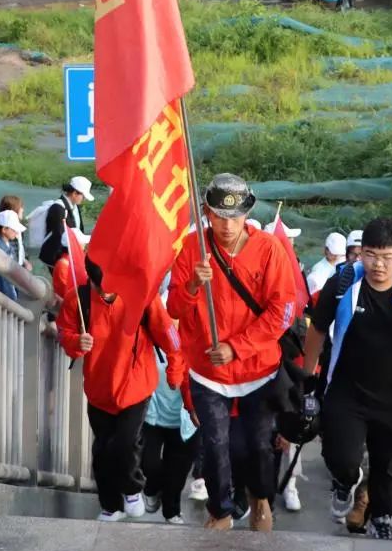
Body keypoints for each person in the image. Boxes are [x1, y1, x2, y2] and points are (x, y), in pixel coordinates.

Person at [303, 217, 392, 541]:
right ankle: (344, 482)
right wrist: (307, 375)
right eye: (370, 254)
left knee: (390, 460)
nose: (377, 264)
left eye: (387, 257)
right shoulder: (343, 285)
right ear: (360, 253)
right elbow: (316, 331)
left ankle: (381, 517)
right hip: (346, 391)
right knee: (341, 457)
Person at [167, 173, 297, 531]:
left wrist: (237, 347)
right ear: (207, 213)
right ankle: (220, 510)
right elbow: (174, 309)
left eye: (235, 217)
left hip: (258, 370)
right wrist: (193, 284)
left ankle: (259, 500)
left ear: (247, 215)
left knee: (256, 445)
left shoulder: (269, 249)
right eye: (220, 216)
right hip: (208, 372)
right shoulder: (193, 248)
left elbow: (282, 311)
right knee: (215, 445)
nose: (227, 225)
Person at [58, 257, 186, 522]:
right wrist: (76, 341)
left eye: (110, 287)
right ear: (90, 280)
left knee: (126, 443)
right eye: (98, 286)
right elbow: (64, 331)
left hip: (135, 384)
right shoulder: (77, 300)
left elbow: (169, 336)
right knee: (103, 450)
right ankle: (110, 506)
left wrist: (176, 370)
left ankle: (132, 488)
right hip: (99, 387)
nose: (105, 293)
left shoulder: (142, 298)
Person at [141, 348, 199, 524]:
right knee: (147, 462)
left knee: (176, 475)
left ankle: (171, 511)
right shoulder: (150, 336)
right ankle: (152, 488)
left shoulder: (195, 341)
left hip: (187, 420)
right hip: (152, 414)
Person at [37, 176, 94, 268]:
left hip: (69, 255)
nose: (84, 199)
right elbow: (60, 235)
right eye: (83, 196)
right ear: (75, 193)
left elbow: (79, 229)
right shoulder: (58, 208)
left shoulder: (75, 206)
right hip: (56, 257)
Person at [0, 209, 27, 302]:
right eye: (14, 229)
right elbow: (3, 282)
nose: (16, 232)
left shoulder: (6, 244)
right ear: (4, 229)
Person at [306, 232, 348, 297]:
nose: (336, 256)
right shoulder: (318, 272)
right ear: (326, 250)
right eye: (333, 253)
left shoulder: (344, 261)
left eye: (339, 253)